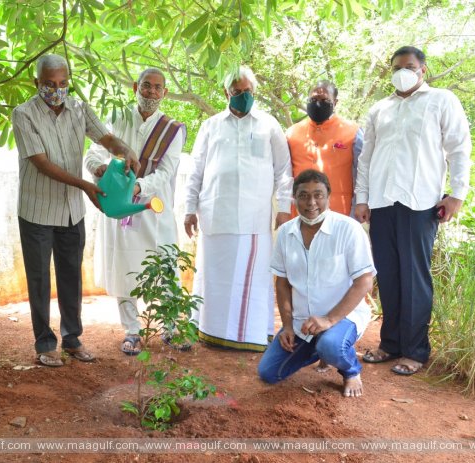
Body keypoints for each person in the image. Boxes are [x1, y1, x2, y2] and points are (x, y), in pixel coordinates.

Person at [12, 54, 140, 367]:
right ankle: (44, 343)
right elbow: (41, 164)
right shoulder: (24, 113)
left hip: (71, 212)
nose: (57, 90)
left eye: (62, 83)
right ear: (37, 83)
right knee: (40, 280)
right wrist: (84, 185)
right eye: (49, 84)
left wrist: (125, 150)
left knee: (71, 277)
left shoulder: (79, 108)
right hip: (37, 210)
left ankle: (72, 339)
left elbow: (105, 137)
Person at [354, 46, 472, 375]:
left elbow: (459, 148)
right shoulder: (380, 109)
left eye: (408, 66)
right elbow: (366, 158)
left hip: (420, 203)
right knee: (389, 276)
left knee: (414, 278)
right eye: (396, 67)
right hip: (381, 203)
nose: (401, 71)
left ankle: (416, 350)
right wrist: (362, 198)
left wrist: (456, 195)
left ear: (423, 70)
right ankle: (390, 343)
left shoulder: (441, 101)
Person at [184, 66, 292, 352]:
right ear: (225, 93)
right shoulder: (211, 125)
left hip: (254, 219)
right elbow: (196, 170)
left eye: (247, 92)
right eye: (237, 92)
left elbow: (284, 170)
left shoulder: (268, 125)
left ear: (254, 92)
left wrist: (284, 207)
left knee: (253, 278)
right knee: (214, 277)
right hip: (216, 214)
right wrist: (189, 208)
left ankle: (250, 334)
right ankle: (210, 331)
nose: (243, 96)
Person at [84, 68, 185, 355]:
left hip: (152, 208)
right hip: (119, 209)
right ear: (134, 87)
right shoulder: (115, 117)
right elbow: (93, 153)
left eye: (157, 87)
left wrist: (136, 188)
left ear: (165, 92)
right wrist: (97, 169)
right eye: (146, 86)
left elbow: (165, 172)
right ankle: (132, 330)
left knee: (164, 264)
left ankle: (170, 326)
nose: (151, 92)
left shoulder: (173, 129)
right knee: (125, 266)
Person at [257, 170, 375, 397]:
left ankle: (350, 369)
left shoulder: (348, 229)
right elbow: (282, 284)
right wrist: (288, 326)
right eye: (303, 195)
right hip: (303, 323)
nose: (311, 203)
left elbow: (364, 281)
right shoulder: (285, 233)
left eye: (318, 195)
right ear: (295, 198)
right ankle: (322, 347)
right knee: (269, 372)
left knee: (331, 345)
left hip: (343, 318)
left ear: (328, 196)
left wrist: (329, 320)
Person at [286, 81, 362, 217]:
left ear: (335, 102)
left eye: (324, 100)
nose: (318, 103)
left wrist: (360, 204)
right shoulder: (292, 133)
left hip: (340, 213)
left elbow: (361, 174)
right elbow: (284, 175)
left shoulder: (353, 131)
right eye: (313, 99)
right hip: (300, 214)